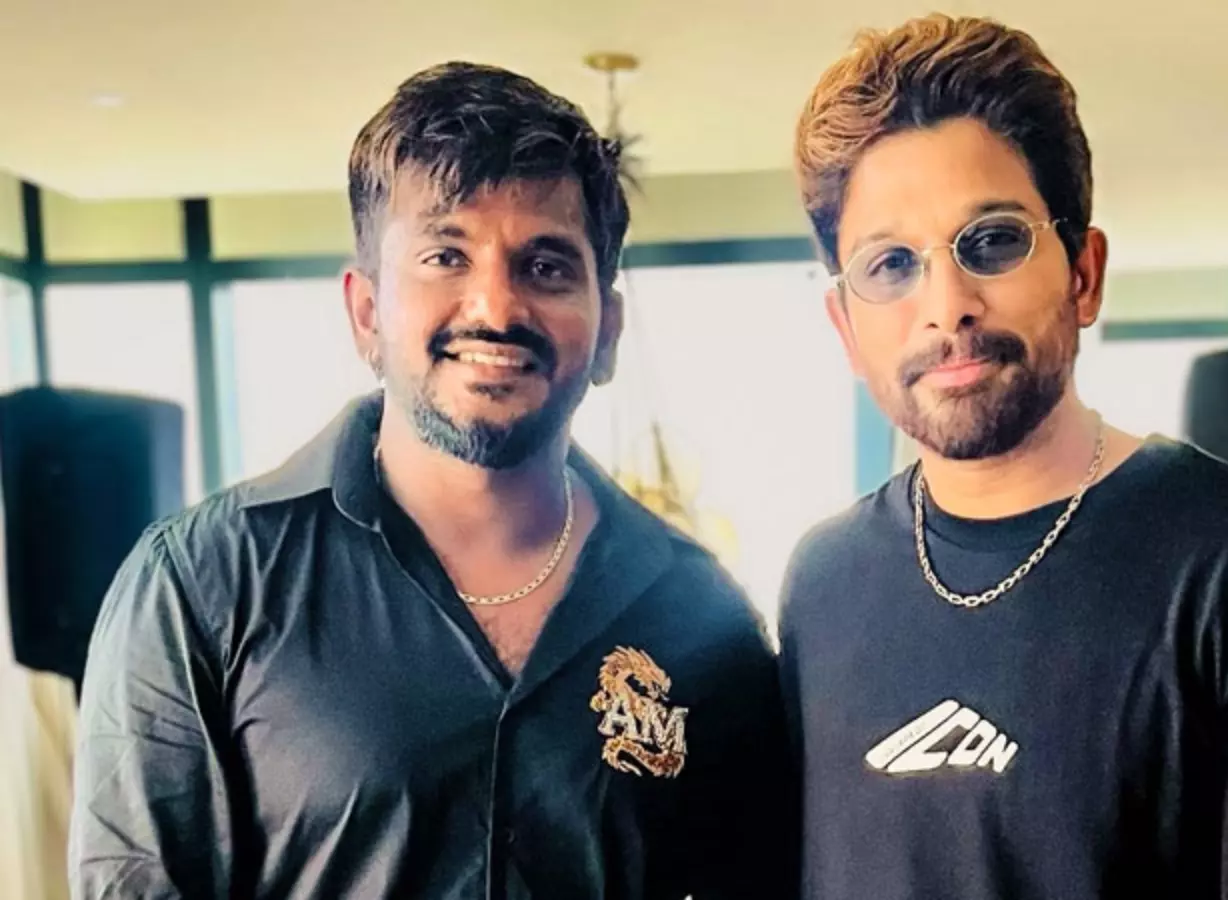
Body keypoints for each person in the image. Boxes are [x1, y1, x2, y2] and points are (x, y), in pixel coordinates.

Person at [69, 61, 795, 900]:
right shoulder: (201, 586)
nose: (496, 307)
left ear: (608, 333)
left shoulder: (703, 618)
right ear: (367, 313)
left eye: (547, 266)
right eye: (446, 256)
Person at [779, 14, 1228, 900]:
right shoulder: (823, 584)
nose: (947, 304)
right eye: (890, 265)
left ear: (1084, 273)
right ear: (846, 326)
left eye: (993, 240)